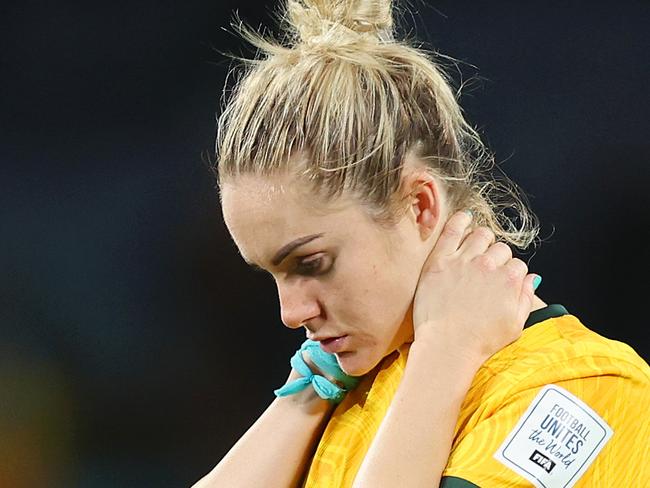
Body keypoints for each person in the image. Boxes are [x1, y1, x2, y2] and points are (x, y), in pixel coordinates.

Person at [193, 0, 649, 486]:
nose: (290, 313)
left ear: (420, 205)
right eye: (272, 274)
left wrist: (447, 348)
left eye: (312, 263)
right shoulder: (346, 393)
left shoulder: (586, 387)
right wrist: (303, 397)